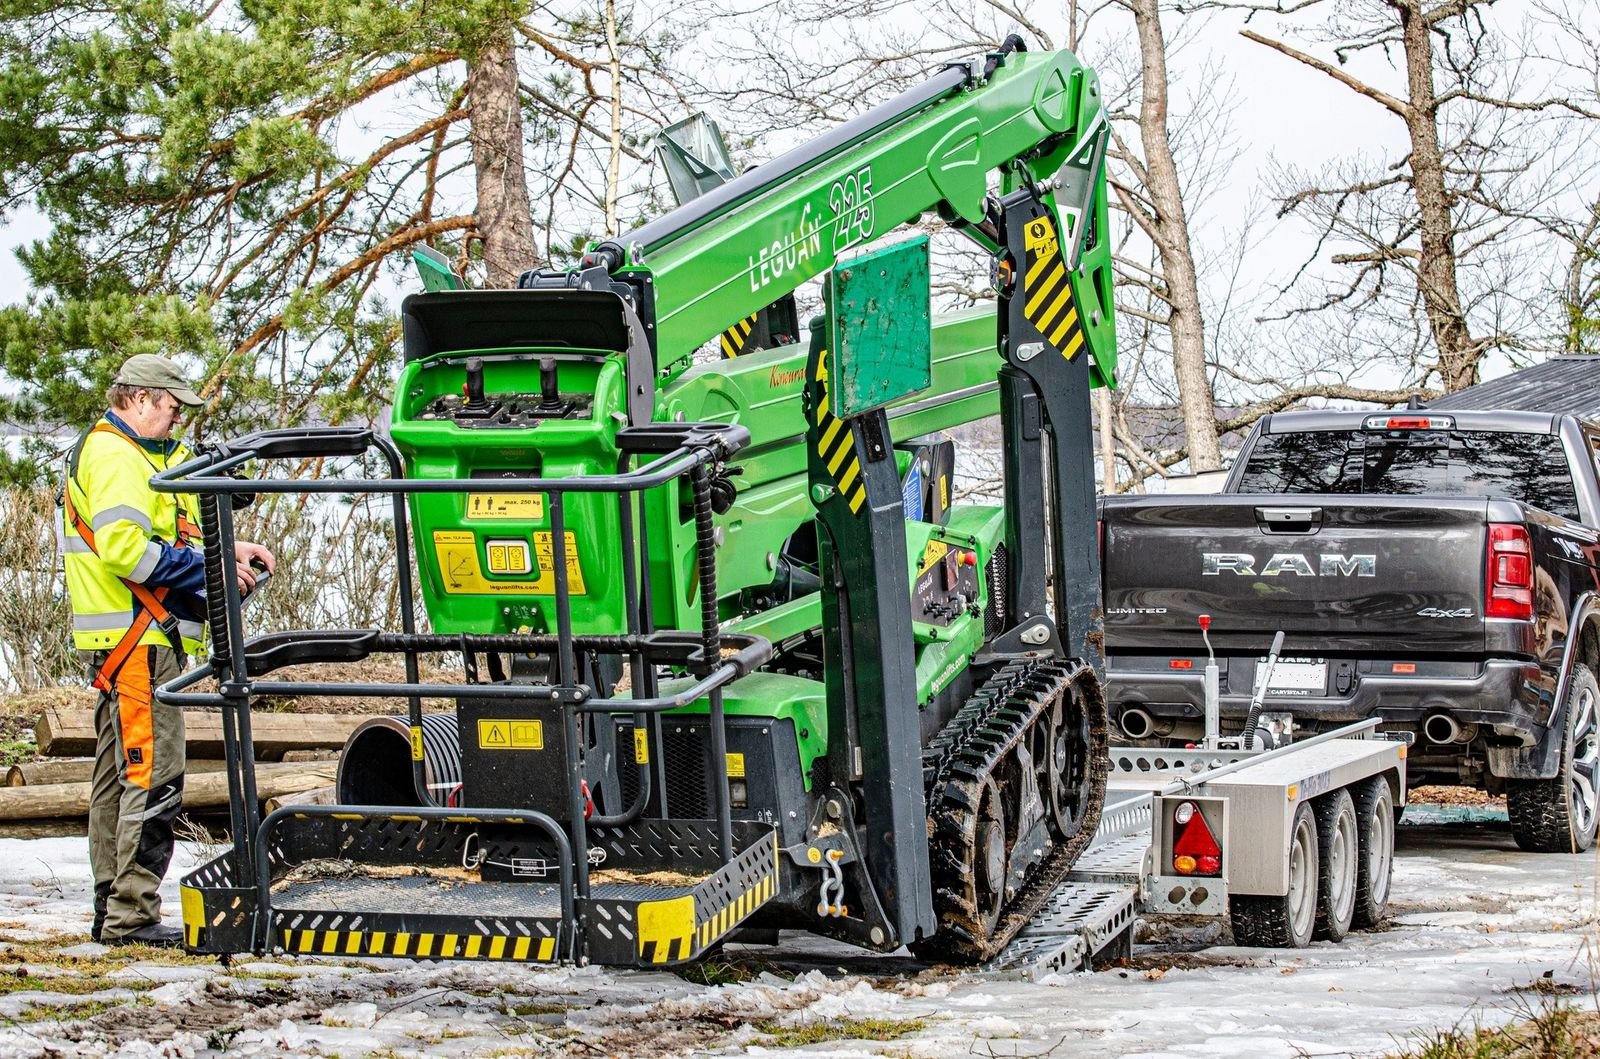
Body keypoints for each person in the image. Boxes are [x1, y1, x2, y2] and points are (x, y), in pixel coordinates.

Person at [61, 354, 275, 947]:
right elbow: (126, 551)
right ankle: (131, 917)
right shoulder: (115, 456)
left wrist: (228, 548)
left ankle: (113, 909)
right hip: (141, 642)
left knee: (118, 776)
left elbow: (163, 526)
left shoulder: (129, 452)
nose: (177, 418)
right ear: (137, 398)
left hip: (131, 641)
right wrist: (211, 569)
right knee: (155, 778)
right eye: (171, 407)